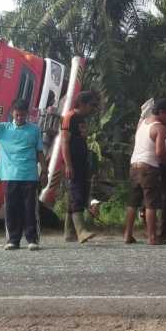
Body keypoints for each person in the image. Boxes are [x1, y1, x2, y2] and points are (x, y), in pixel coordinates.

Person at [0, 99, 47, 251]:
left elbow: (40, 152)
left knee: (30, 209)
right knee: (11, 209)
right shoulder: (2, 129)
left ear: (27, 114)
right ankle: (13, 240)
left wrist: (45, 171)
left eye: (22, 115)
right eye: (17, 115)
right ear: (12, 113)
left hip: (30, 176)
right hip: (9, 176)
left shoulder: (34, 130)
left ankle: (32, 239)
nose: (19, 118)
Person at [123, 98, 166, 245]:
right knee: (151, 203)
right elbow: (160, 152)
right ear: (162, 112)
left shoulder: (142, 124)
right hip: (149, 167)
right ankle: (152, 237)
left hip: (134, 165)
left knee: (133, 203)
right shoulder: (159, 128)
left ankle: (127, 234)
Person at [61, 90, 98, 243]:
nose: (93, 108)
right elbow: (64, 142)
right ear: (82, 103)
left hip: (82, 162)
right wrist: (68, 165)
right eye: (91, 105)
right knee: (76, 194)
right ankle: (81, 230)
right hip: (73, 163)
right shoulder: (70, 117)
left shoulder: (82, 119)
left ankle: (69, 232)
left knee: (78, 193)